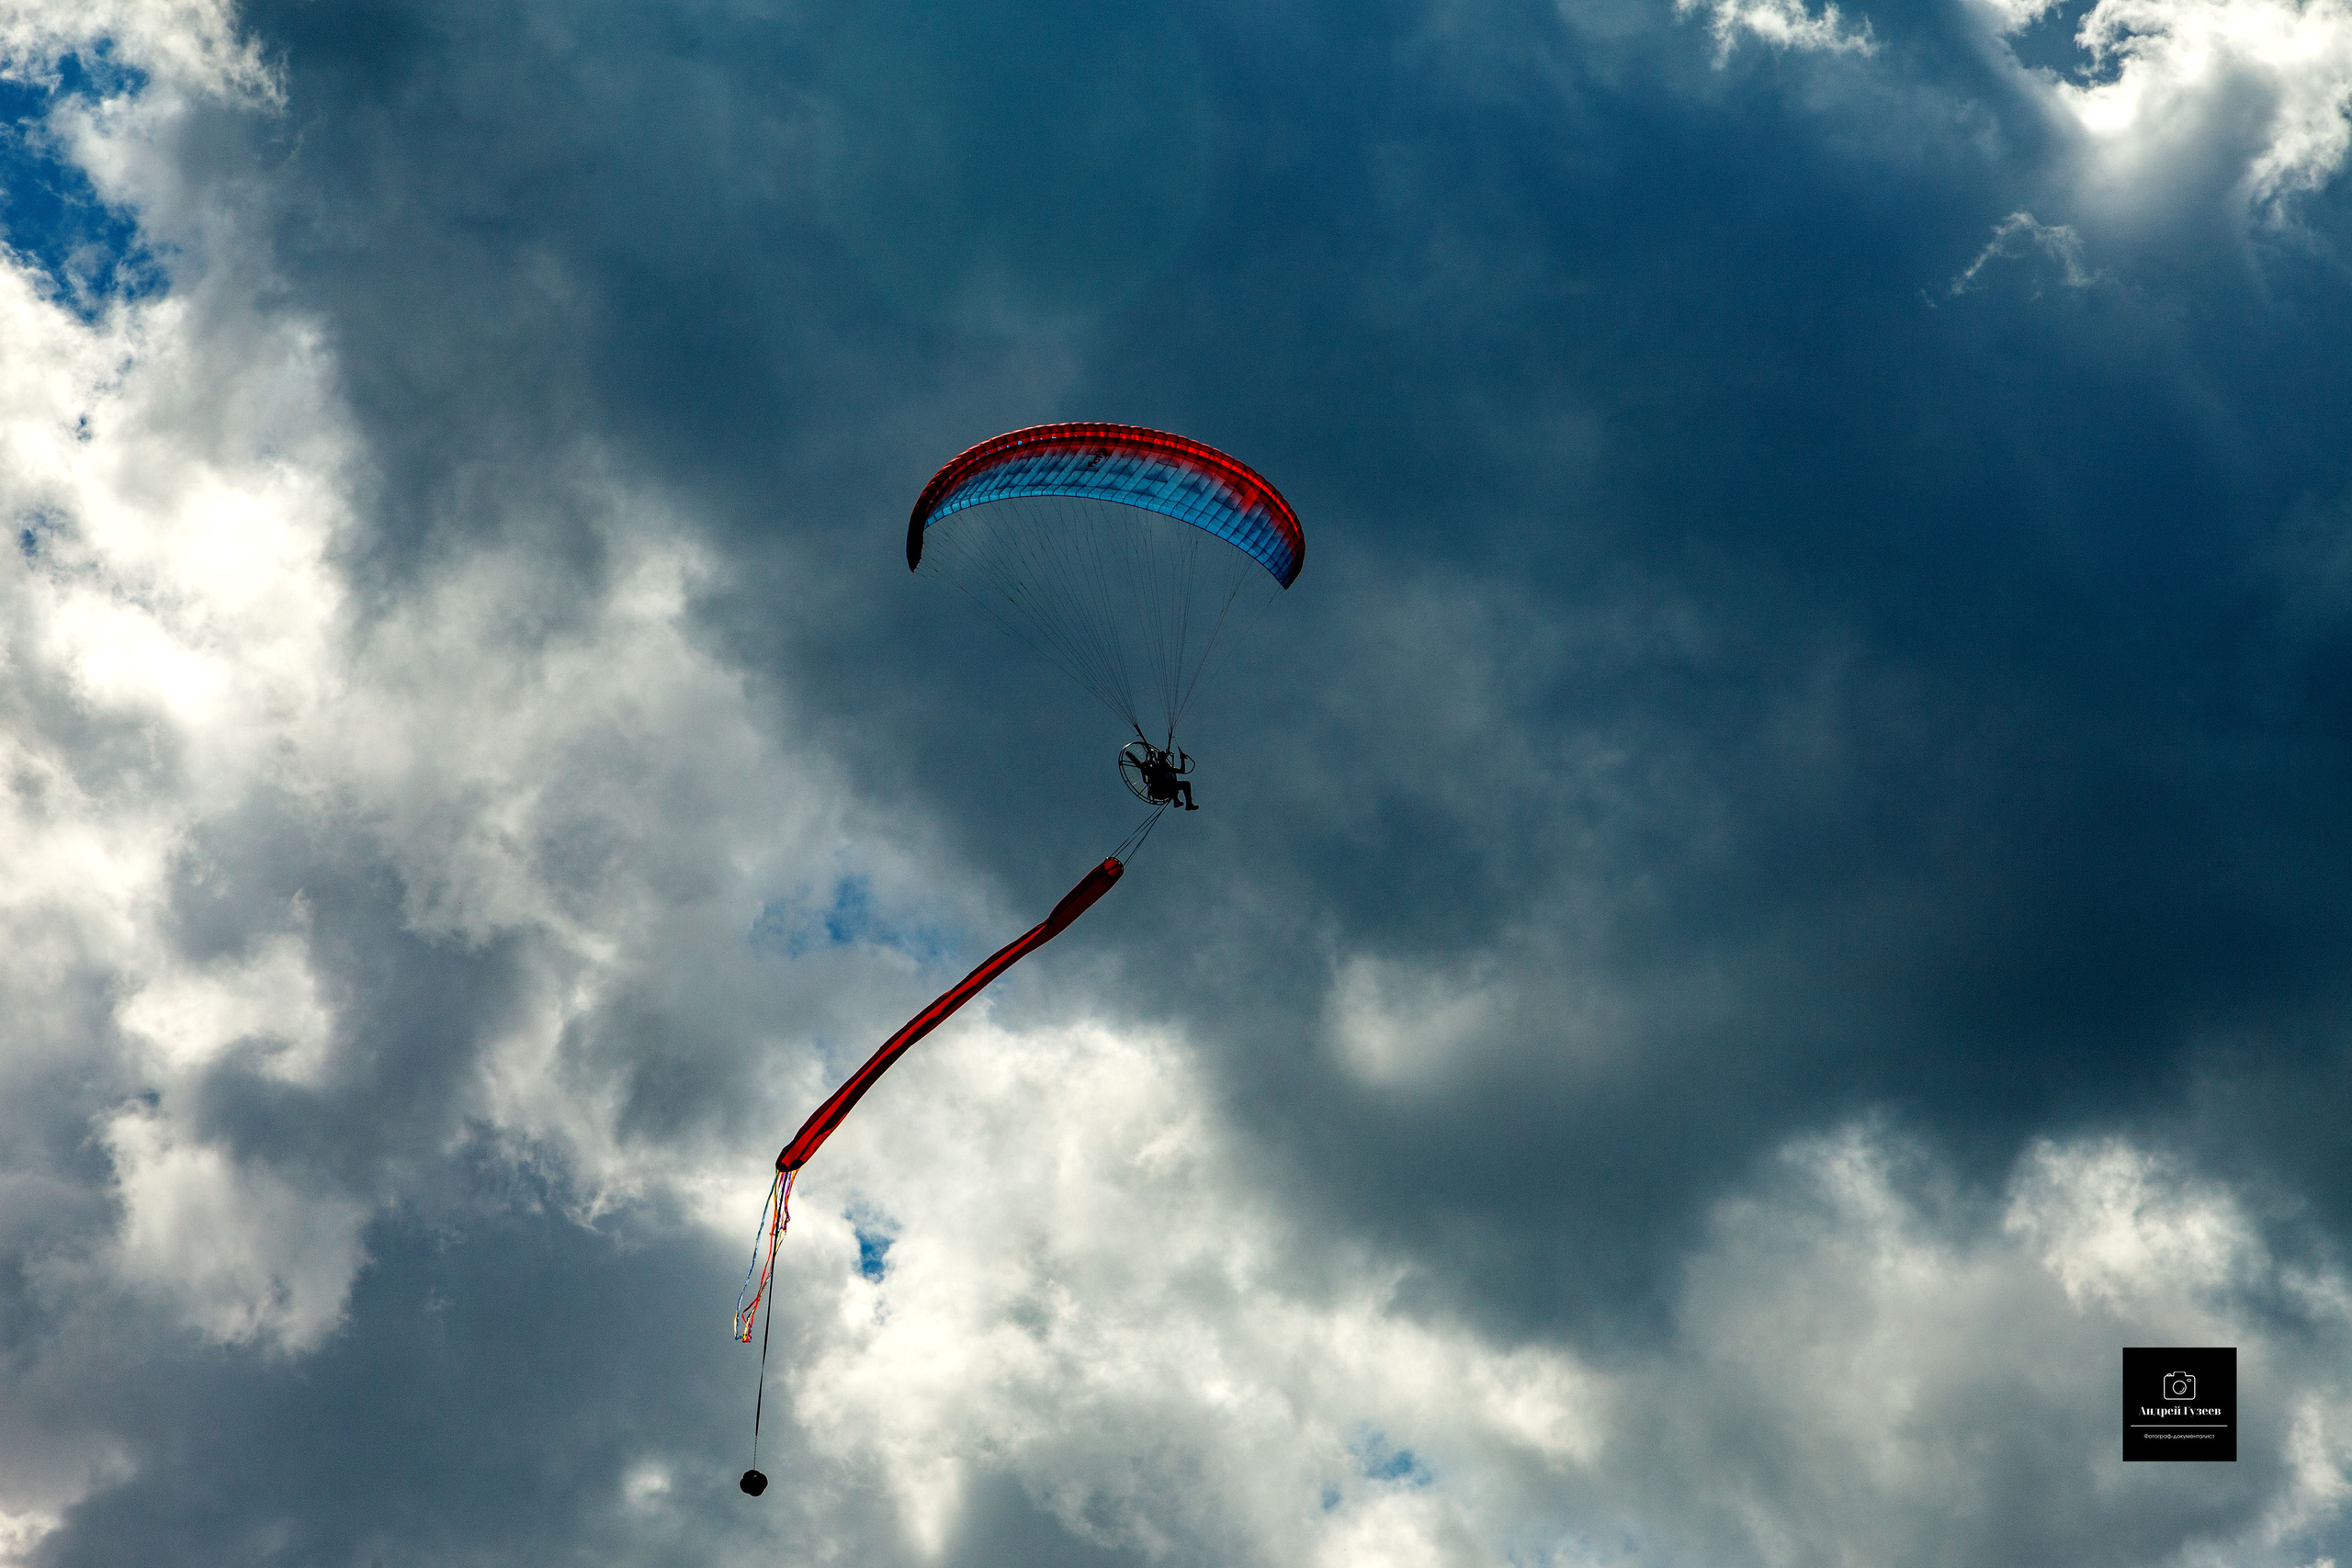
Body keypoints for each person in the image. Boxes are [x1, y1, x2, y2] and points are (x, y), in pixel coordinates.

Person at [1136, 743, 1197, 810]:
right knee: (1176, 783)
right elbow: (1146, 771)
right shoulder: (1156, 768)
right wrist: (1149, 759)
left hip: (1166, 790)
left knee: (1183, 784)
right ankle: (1178, 801)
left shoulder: (1165, 767)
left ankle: (1186, 803)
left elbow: (1182, 771)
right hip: (1160, 790)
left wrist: (1182, 759)